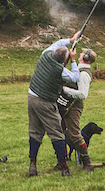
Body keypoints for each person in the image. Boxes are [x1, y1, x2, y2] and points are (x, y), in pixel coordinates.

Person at [26, 30, 83, 177]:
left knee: (35, 132)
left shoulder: (46, 53)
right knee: (57, 134)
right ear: (63, 61)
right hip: (45, 102)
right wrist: (73, 61)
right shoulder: (60, 70)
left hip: (31, 97)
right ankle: (64, 168)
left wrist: (71, 40)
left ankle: (33, 166)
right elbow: (76, 78)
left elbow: (58, 44)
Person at [57, 48, 97, 172]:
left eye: (82, 54)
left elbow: (83, 94)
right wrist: (72, 60)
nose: (80, 54)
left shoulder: (84, 74)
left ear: (85, 58)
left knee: (74, 134)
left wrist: (65, 89)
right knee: (61, 132)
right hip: (67, 104)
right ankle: (62, 161)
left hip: (74, 107)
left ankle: (87, 162)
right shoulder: (80, 69)